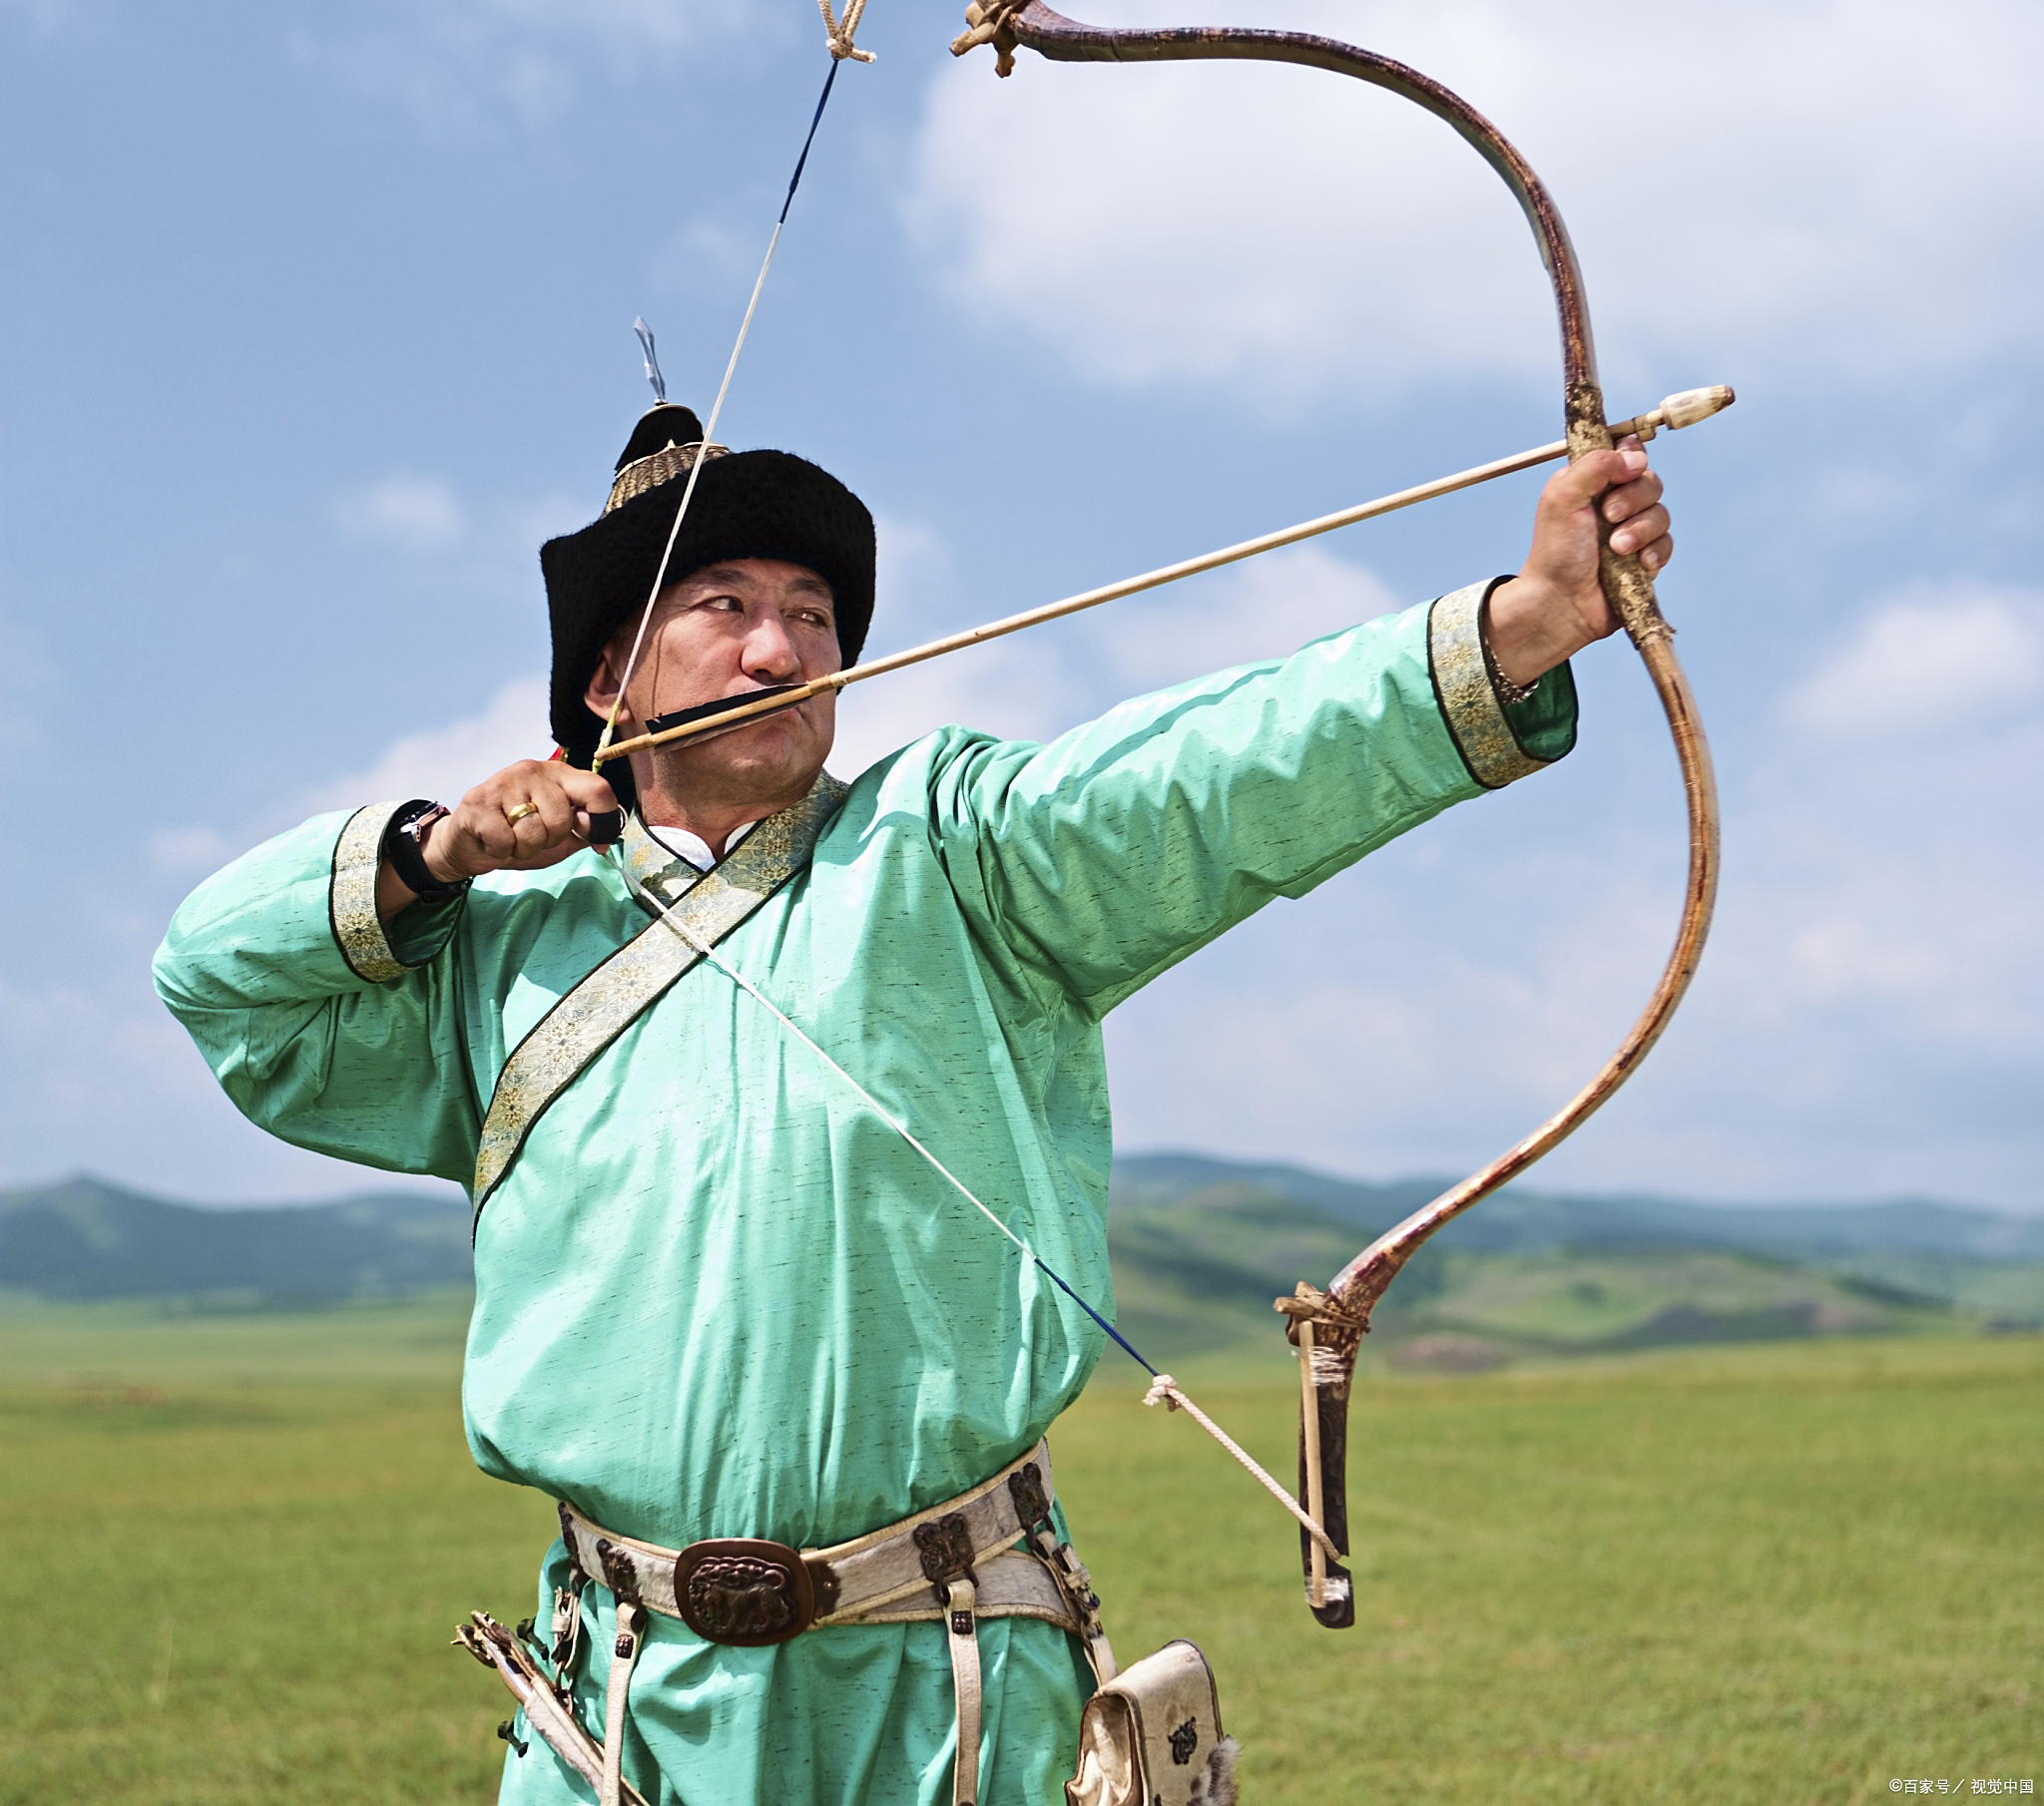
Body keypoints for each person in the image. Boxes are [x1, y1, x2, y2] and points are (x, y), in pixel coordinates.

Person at [155, 398, 1673, 1806]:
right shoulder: (487, 960)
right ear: (608, 681)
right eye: (724, 606)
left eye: (813, 615)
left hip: (949, 1667)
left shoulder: (955, 849)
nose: (780, 650)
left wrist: (1528, 621)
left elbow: (1207, 774)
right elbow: (215, 978)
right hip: (621, 1689)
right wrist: (434, 856)